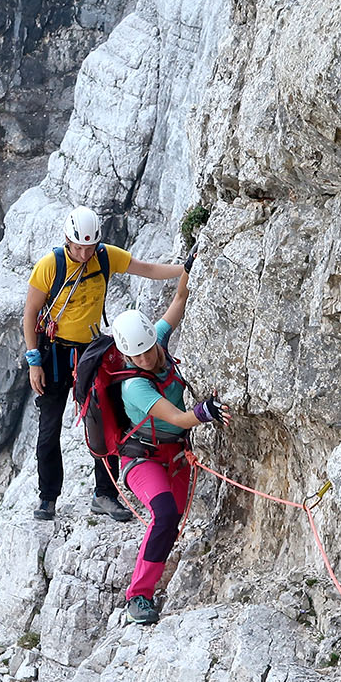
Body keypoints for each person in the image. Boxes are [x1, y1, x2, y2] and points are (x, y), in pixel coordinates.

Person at [22, 206, 189, 521]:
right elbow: (30, 314)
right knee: (49, 427)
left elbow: (148, 270)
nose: (84, 253)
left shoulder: (104, 256)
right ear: (67, 240)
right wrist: (34, 360)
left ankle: (105, 495)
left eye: (90, 246)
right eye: (78, 246)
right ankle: (48, 498)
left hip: (90, 351)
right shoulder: (50, 266)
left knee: (105, 418)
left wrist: (185, 270)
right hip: (53, 353)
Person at [109, 267, 225, 625]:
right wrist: (205, 412)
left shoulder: (155, 339)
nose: (145, 359)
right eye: (136, 357)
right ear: (127, 356)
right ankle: (138, 596)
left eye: (147, 352)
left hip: (174, 456)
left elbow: (179, 300)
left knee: (171, 523)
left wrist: (190, 269)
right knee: (165, 515)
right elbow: (177, 418)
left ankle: (148, 583)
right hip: (141, 459)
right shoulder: (135, 387)